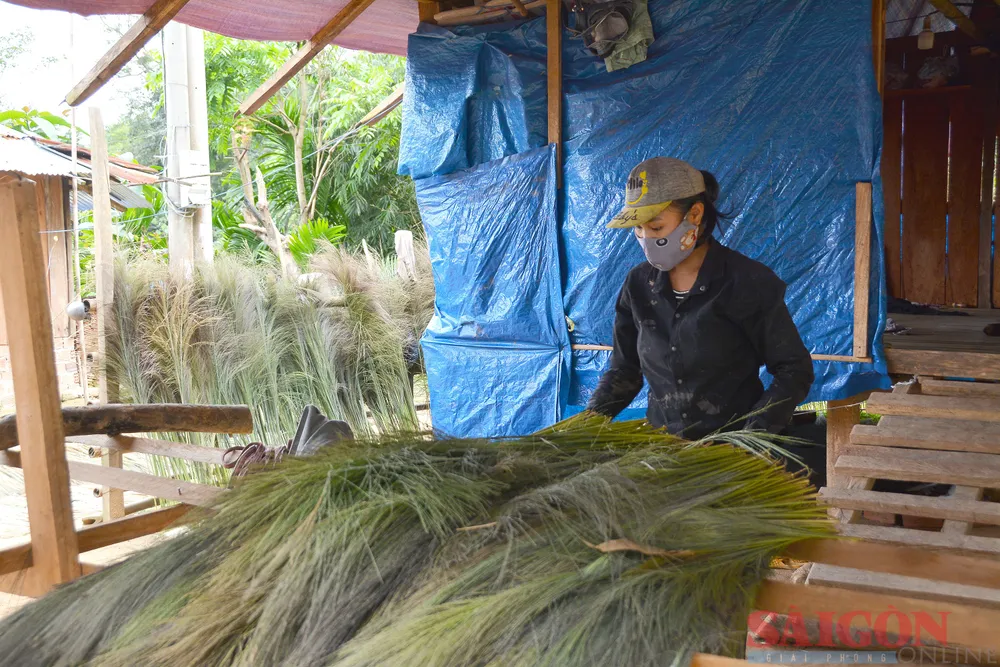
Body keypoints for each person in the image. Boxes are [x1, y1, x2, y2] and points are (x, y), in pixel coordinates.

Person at [586, 157, 814, 439]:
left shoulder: (746, 281)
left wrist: (751, 437)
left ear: (694, 214)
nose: (645, 238)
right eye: (638, 228)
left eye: (656, 228)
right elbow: (625, 371)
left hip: (734, 453)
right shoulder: (637, 285)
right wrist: (585, 425)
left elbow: (793, 370)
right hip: (662, 451)